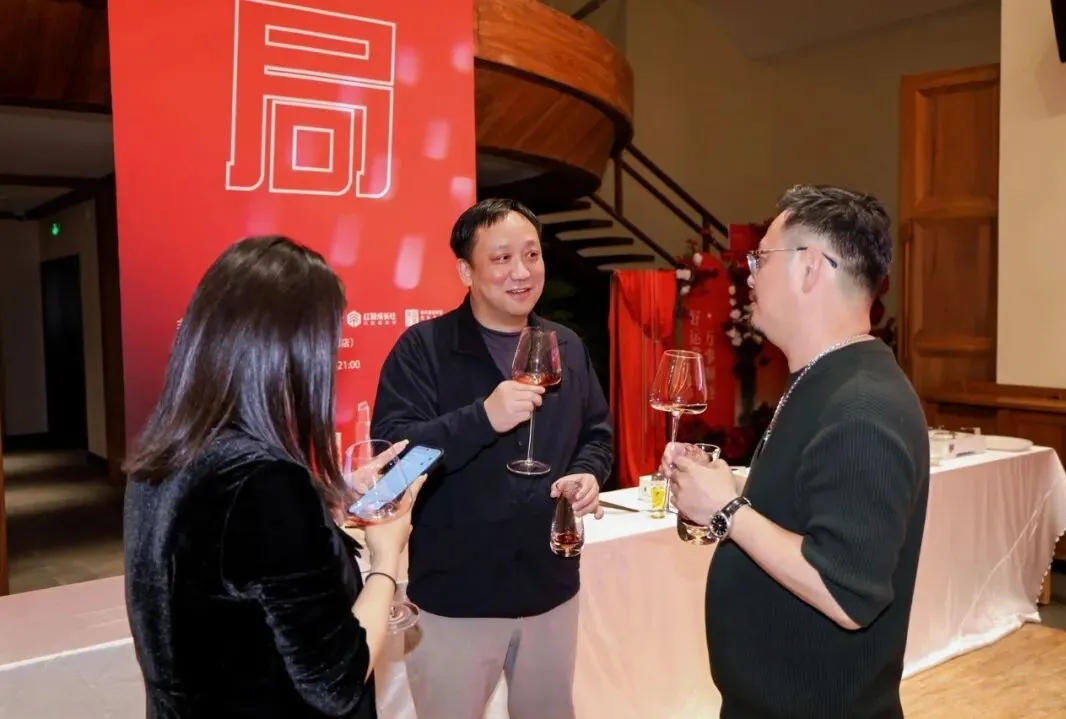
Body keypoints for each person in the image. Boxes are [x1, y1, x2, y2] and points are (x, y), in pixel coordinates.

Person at [666, 185, 930, 719]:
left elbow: (846, 591)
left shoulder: (861, 407)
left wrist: (727, 511)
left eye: (760, 258)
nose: (748, 275)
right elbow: (807, 510)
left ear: (809, 267)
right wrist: (726, 491)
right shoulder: (826, 380)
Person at [124, 236, 414, 718]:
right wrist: (386, 558)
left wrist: (327, 502)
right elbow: (336, 680)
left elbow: (234, 569)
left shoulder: (166, 456)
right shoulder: (265, 485)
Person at [371, 198, 613, 719]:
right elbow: (393, 468)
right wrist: (483, 418)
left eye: (532, 255)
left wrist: (587, 472)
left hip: (551, 589)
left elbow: (597, 433)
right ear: (466, 270)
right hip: (456, 600)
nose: (521, 272)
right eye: (502, 258)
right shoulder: (423, 349)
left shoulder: (566, 346)